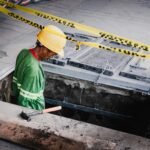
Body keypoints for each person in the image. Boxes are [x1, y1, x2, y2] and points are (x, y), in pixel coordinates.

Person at [12, 25, 66, 110]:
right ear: (45, 48)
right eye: (54, 53)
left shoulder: (23, 53)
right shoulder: (34, 70)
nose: (52, 56)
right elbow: (25, 103)